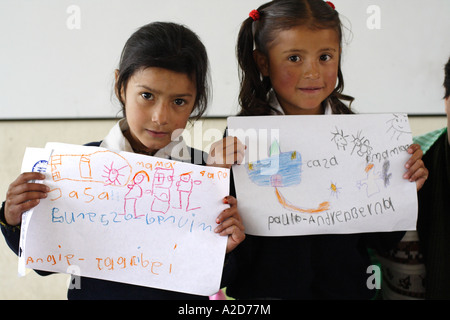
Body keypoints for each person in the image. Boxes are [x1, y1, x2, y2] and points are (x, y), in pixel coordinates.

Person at [0, 22, 245, 300]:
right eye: (147, 96)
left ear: (195, 101)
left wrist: (221, 249)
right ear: (121, 86)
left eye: (178, 101)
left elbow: (221, 280)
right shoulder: (75, 169)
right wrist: (13, 217)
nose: (160, 117)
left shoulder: (210, 176)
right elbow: (44, 265)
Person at [208, 0, 428, 299]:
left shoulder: (362, 138)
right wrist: (214, 178)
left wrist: (404, 191)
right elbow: (225, 240)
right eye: (295, 58)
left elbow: (380, 240)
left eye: (325, 56)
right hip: (264, 296)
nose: (312, 72)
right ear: (263, 62)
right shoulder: (243, 140)